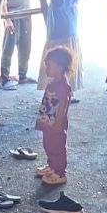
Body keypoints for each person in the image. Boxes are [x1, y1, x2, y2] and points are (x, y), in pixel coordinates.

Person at [38, 0, 87, 93]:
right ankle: (61, 90)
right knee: (63, 57)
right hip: (63, 24)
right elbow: (60, 3)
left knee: (64, 55)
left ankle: (63, 90)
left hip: (64, 22)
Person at [36, 47, 74, 186]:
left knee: (57, 147)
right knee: (48, 145)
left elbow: (63, 105)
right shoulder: (54, 82)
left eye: (49, 65)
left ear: (59, 67)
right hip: (48, 121)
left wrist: (58, 123)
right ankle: (51, 166)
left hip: (56, 124)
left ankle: (60, 173)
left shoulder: (64, 86)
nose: (46, 68)